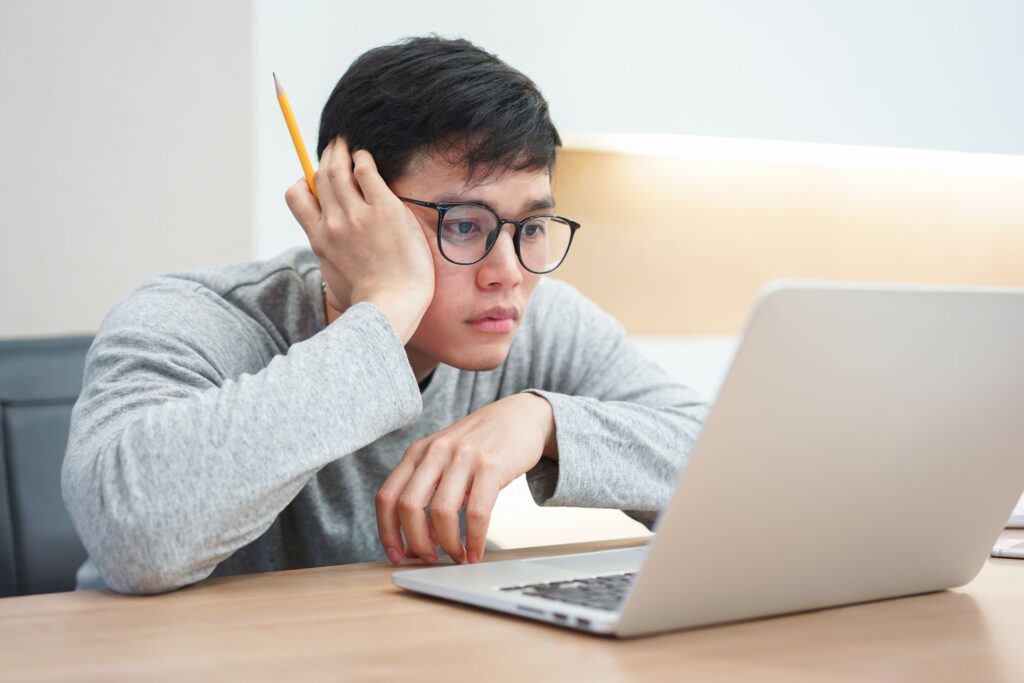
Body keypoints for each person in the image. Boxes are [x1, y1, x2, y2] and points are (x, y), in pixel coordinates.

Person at [62, 36, 708, 595]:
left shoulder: (533, 320)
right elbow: (134, 536)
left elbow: (738, 469)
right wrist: (387, 306)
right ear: (349, 206)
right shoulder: (193, 318)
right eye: (463, 223)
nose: (509, 270)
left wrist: (544, 421)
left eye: (531, 225)